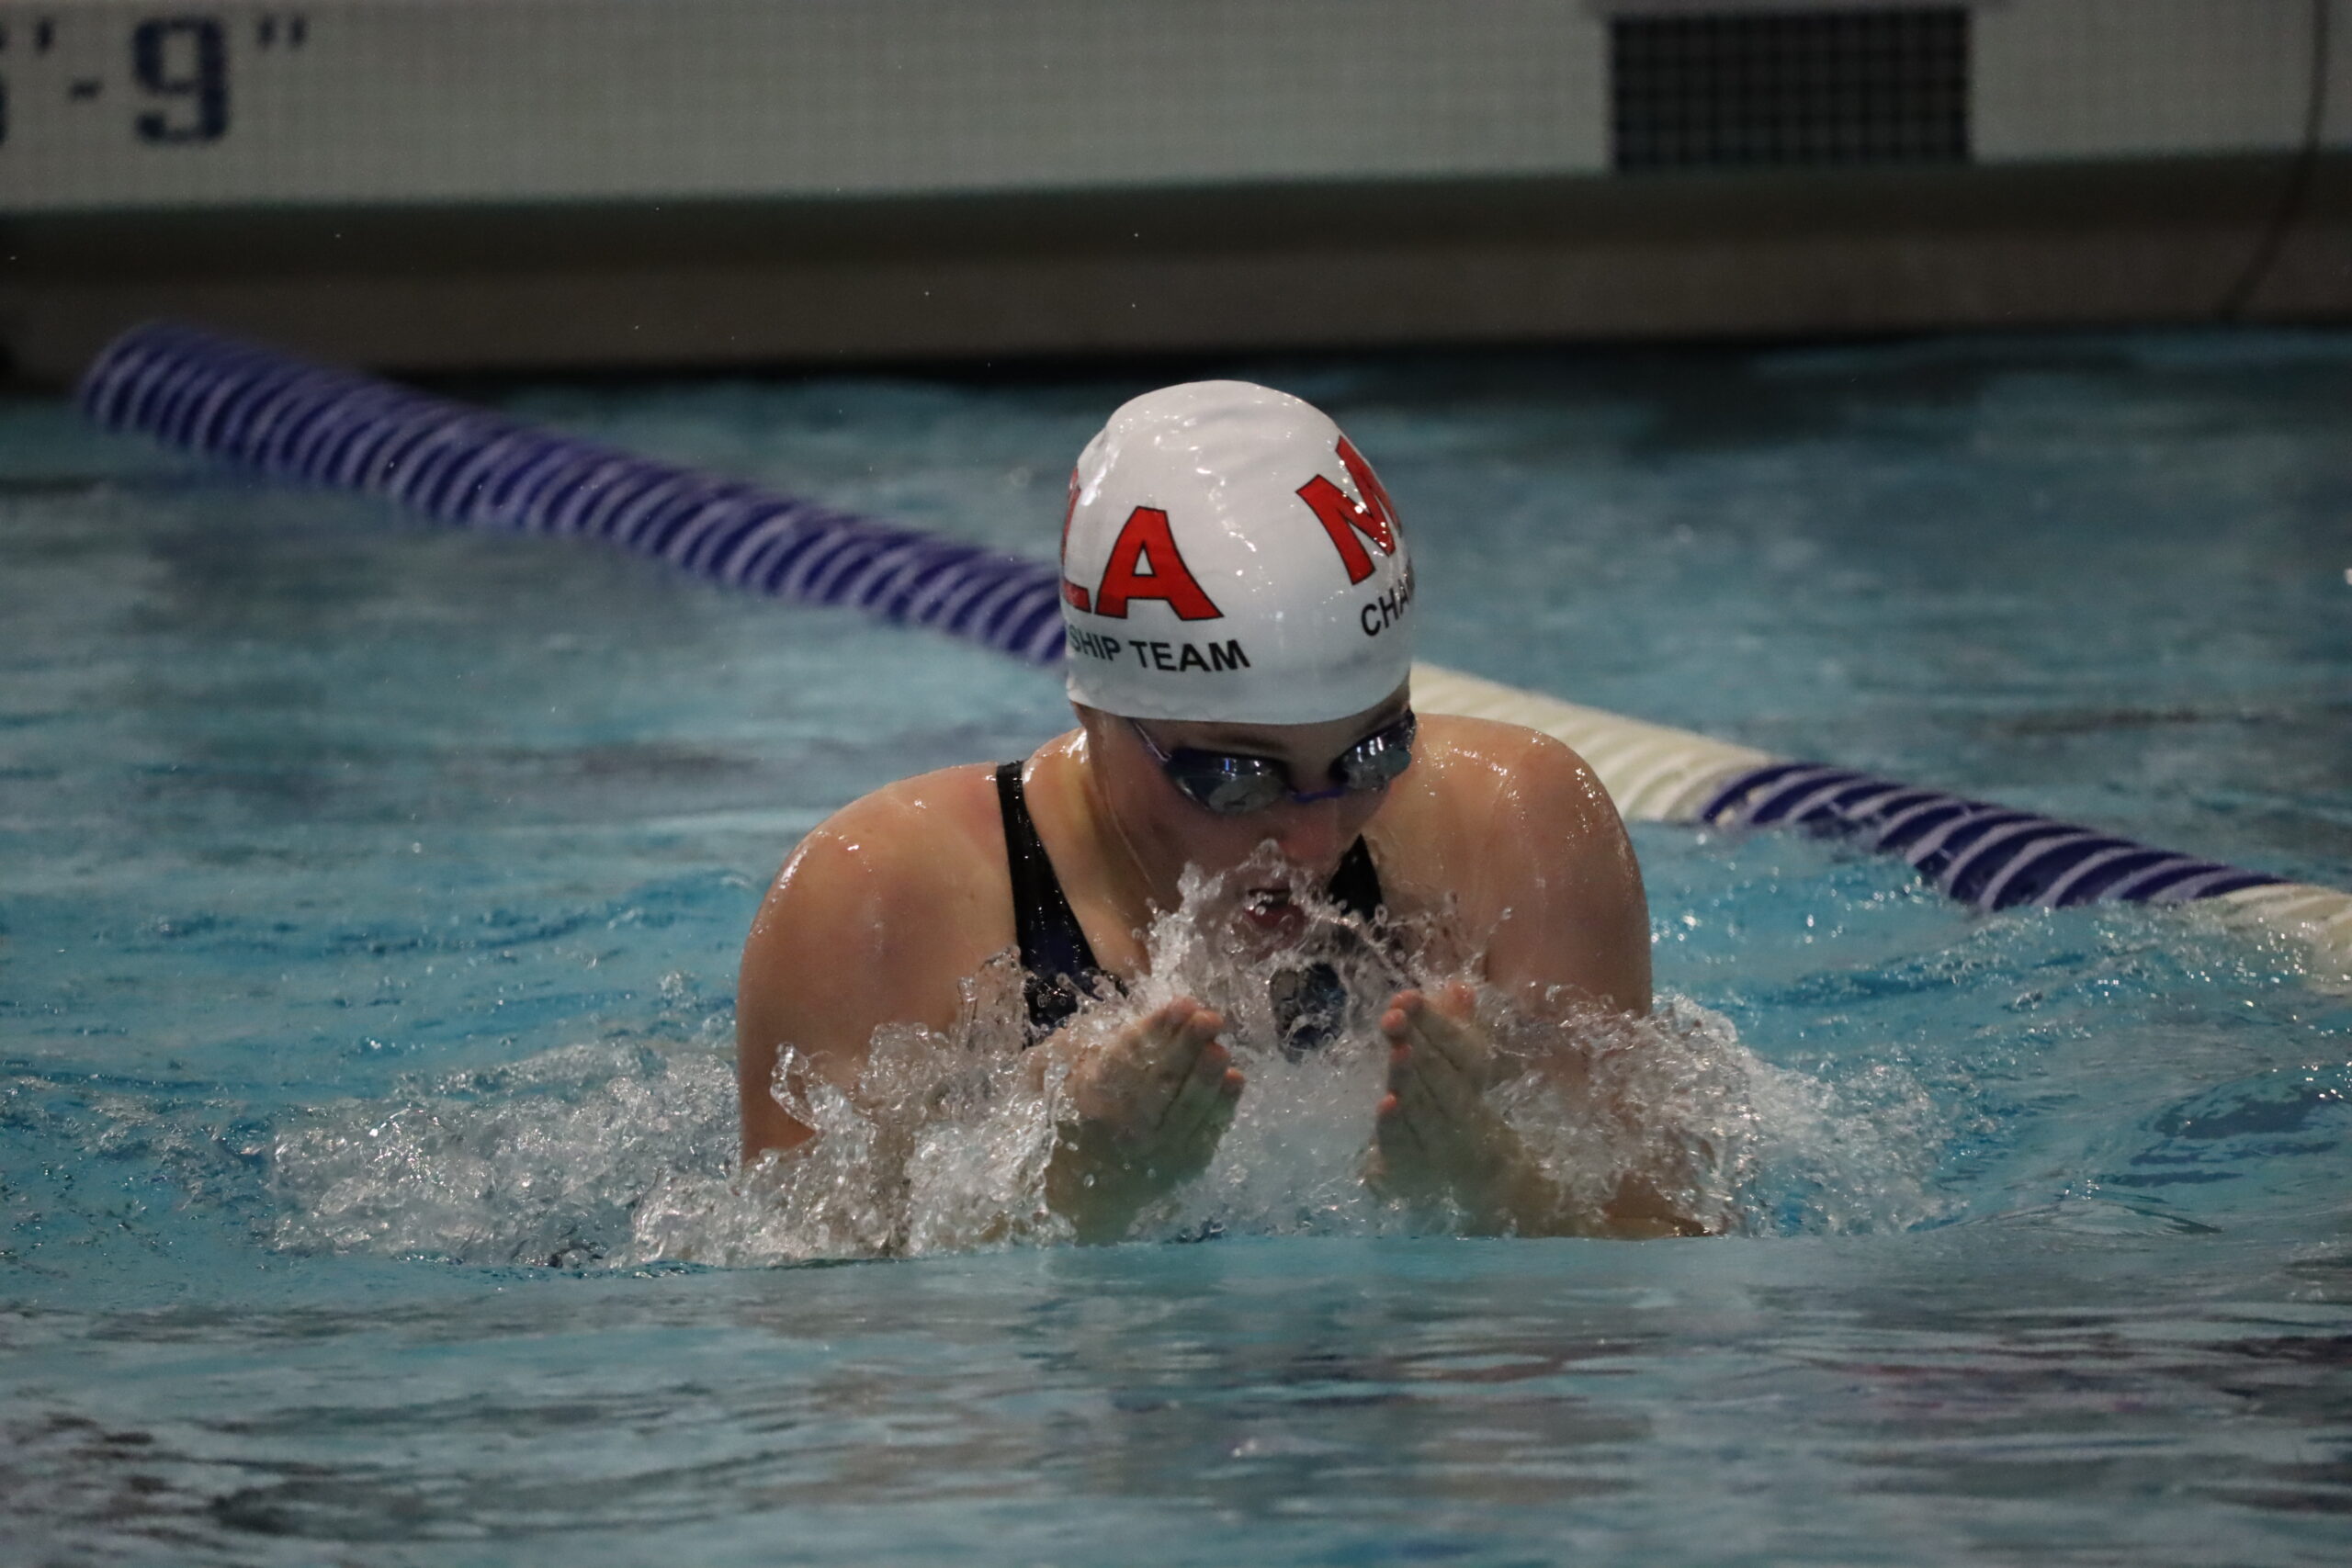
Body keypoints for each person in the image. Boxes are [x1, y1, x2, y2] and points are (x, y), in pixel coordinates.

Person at [737, 381, 1701, 1241]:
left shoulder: (1511, 829)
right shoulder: (884, 899)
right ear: (1097, 708)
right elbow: (834, 1362)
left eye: (1374, 751)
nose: (1317, 837)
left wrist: (1494, 1189)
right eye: (1236, 778)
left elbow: (1667, 1255)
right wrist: (1085, 1199)